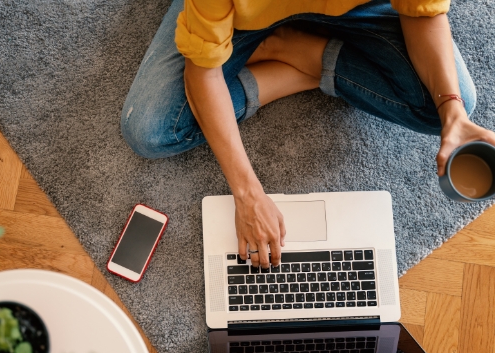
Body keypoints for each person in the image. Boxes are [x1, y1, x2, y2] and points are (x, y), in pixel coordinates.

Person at [121, 0, 495, 270]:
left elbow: (423, 11)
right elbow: (201, 72)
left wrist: (453, 112)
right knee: (151, 130)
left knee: (450, 100)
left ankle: (294, 50)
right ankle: (306, 58)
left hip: (362, 8)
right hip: (242, 17)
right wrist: (248, 195)